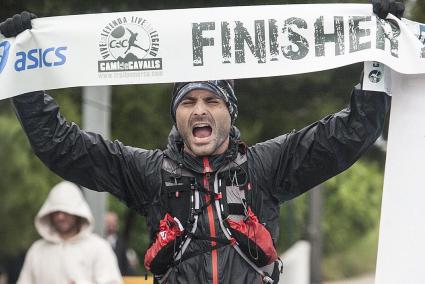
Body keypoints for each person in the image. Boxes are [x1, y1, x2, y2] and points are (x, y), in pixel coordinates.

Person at [1, 1, 404, 283]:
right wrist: (25, 80)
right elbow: (59, 145)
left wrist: (378, 51)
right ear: (175, 114)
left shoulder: (266, 166)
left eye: (211, 100)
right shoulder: (148, 172)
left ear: (230, 111)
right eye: (188, 101)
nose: (199, 111)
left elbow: (352, 133)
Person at [17, 181, 123, 284]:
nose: (60, 217)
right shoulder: (37, 250)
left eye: (65, 211)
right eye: (56, 211)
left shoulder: (99, 248)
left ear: (77, 212)